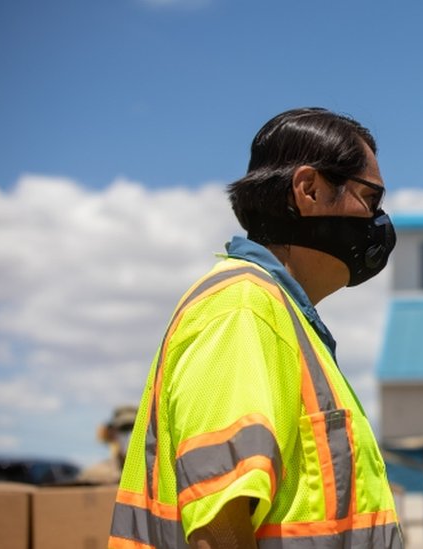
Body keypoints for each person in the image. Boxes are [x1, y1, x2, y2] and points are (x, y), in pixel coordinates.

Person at [109, 108, 403, 549]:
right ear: (309, 190)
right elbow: (218, 522)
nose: (377, 221)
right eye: (371, 199)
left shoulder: (282, 316)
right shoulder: (243, 307)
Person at [78, 405, 138, 484]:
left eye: (136, 429)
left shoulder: (155, 474)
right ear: (112, 434)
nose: (130, 434)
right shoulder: (94, 474)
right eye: (124, 429)